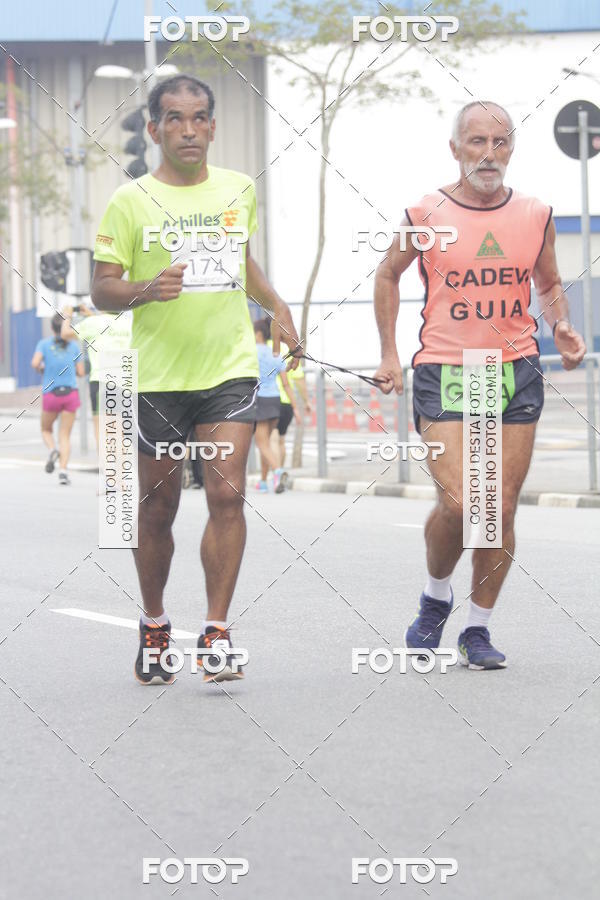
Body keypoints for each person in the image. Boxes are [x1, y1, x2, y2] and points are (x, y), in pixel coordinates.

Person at [90, 74, 299, 684]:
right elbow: (101, 289)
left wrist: (278, 308)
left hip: (228, 369)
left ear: (212, 125)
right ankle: (155, 623)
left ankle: (215, 631)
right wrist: (144, 290)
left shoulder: (238, 190)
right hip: (158, 378)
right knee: (159, 509)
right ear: (154, 129)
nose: (188, 129)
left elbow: (242, 259)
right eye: (174, 119)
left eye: (199, 117)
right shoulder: (129, 201)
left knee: (228, 494)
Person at [374, 101, 585, 670]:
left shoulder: (537, 213)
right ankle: (436, 596)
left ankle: (477, 629)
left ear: (512, 149)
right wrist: (390, 354)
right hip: (445, 369)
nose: (488, 153)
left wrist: (561, 322)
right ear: (455, 149)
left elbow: (548, 280)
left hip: (512, 368)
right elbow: (388, 275)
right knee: (462, 502)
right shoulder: (424, 212)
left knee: (501, 507)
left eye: (500, 142)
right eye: (476, 141)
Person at [61, 304, 132, 448]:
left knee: (102, 431)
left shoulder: (93, 323)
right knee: (122, 432)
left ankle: (107, 469)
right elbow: (109, 327)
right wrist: (93, 315)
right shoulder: (129, 323)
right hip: (126, 382)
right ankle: (122, 469)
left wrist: (68, 315)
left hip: (102, 381)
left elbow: (65, 333)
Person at [31, 313, 85, 485]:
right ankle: (63, 472)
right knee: (65, 435)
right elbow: (82, 372)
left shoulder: (44, 344)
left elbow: (35, 363)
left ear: (52, 327)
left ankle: (52, 449)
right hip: (70, 394)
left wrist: (42, 370)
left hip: (51, 395)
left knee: (46, 429)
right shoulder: (74, 346)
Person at [253, 319, 297, 492]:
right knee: (266, 443)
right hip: (275, 400)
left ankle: (278, 472)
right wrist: (295, 407)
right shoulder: (275, 354)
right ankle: (263, 482)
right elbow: (285, 383)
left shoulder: (251, 352)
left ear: (257, 334)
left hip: (260, 400)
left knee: (262, 444)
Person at [270, 341, 309, 493]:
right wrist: (306, 402)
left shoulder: (267, 348)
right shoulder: (289, 350)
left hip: (271, 400)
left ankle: (276, 473)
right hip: (287, 402)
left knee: (271, 439)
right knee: (281, 440)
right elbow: (299, 380)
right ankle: (279, 472)